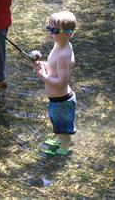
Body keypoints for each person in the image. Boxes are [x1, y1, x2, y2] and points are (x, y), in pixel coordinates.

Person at [34, 11, 77, 155]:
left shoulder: (64, 54)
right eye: (48, 28)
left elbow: (61, 83)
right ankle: (61, 140)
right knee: (58, 125)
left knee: (62, 128)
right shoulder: (59, 45)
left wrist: (43, 76)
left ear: (68, 33)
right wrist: (44, 65)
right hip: (57, 100)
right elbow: (54, 68)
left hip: (62, 101)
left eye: (54, 30)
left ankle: (64, 149)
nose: (49, 33)